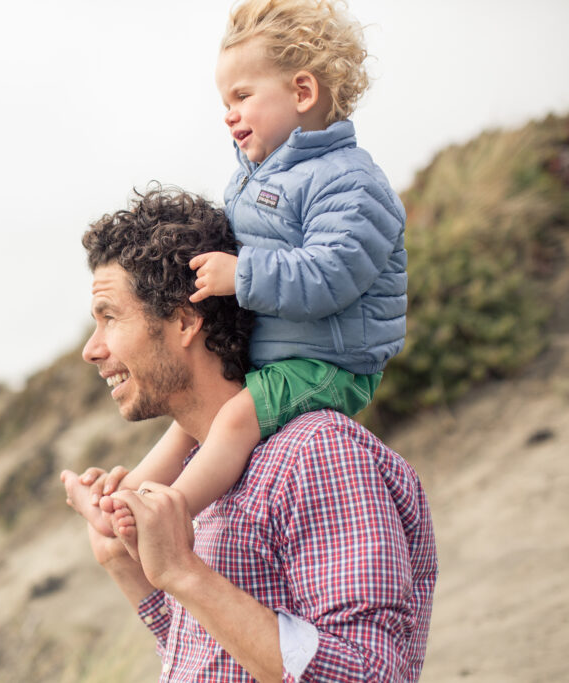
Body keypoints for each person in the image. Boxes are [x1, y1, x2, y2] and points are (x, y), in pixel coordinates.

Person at [62, 185, 436, 680]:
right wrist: (126, 563)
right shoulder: (200, 470)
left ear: (184, 320)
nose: (92, 349)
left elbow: (368, 673)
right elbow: (210, 656)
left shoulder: (318, 452)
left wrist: (184, 572)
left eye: (109, 317)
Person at [77, 0, 408, 542]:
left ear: (303, 92)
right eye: (224, 100)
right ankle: (123, 500)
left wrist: (242, 274)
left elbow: (330, 276)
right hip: (283, 350)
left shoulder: (349, 182)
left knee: (233, 420)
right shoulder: (252, 180)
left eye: (243, 96)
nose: (228, 113)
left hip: (329, 360)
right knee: (194, 424)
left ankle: (171, 511)